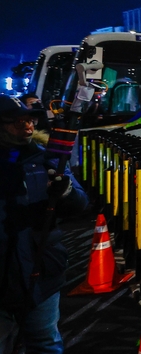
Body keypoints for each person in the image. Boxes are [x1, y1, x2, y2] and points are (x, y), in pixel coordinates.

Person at [0, 95, 89, 353]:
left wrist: (65, 192)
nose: (27, 126)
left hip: (41, 271)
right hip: (4, 273)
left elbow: (80, 204)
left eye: (30, 120)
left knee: (45, 342)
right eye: (18, 122)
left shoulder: (46, 157)